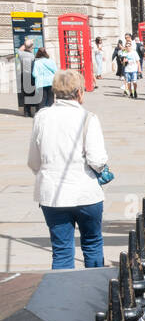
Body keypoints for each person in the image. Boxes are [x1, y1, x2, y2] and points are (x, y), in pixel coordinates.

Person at [28, 68, 109, 269]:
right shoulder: (88, 118)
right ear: (79, 92)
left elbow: (33, 161)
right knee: (92, 244)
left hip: (52, 195)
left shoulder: (41, 117)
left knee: (62, 250)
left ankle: (62, 298)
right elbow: (97, 160)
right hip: (85, 194)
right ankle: (93, 292)